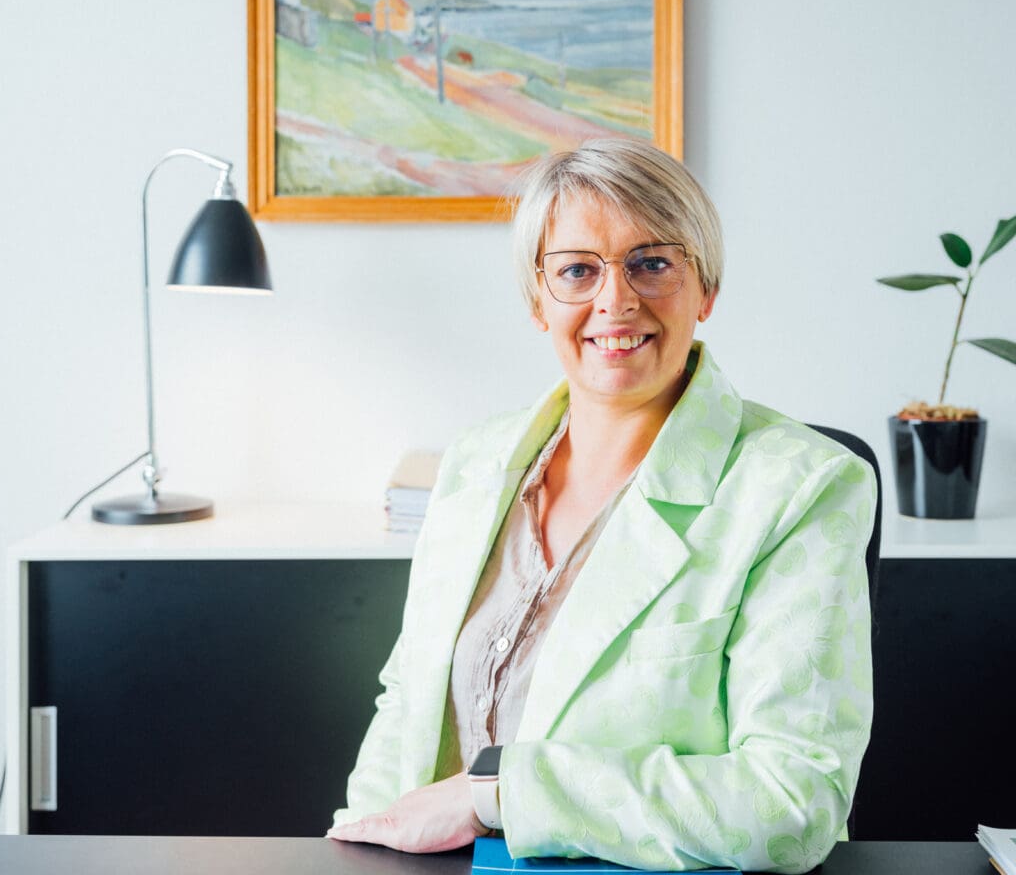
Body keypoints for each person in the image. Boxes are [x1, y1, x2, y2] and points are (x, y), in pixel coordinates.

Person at [328, 138, 875, 874]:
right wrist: (358, 841)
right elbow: (406, 705)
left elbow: (792, 802)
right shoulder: (475, 465)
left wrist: (496, 795)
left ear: (706, 290)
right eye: (578, 270)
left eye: (651, 263)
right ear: (538, 300)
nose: (615, 301)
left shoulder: (802, 486)